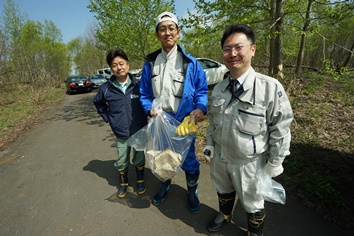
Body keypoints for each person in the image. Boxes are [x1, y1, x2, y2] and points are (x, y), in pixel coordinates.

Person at [204, 24, 294, 235]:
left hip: (249, 164)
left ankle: (254, 232)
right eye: (227, 49)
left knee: (253, 203)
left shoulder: (270, 89)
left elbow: (281, 130)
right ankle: (225, 215)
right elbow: (213, 121)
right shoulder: (219, 88)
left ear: (252, 49)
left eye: (238, 47)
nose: (232, 54)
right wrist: (209, 143)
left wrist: (274, 163)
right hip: (221, 158)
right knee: (223, 190)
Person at [139, 12, 208, 213]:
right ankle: (165, 185)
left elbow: (202, 91)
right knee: (162, 158)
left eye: (171, 28)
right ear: (157, 34)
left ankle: (192, 191)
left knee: (188, 159)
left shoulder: (191, 63)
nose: (167, 32)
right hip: (160, 121)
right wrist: (149, 109)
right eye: (163, 29)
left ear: (178, 32)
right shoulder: (150, 63)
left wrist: (201, 108)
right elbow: (144, 93)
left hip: (184, 121)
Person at [93, 49, 148, 198]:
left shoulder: (139, 85)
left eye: (121, 64)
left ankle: (140, 180)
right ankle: (123, 183)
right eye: (115, 65)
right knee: (122, 159)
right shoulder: (106, 88)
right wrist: (108, 118)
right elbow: (98, 103)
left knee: (139, 157)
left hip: (139, 130)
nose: (119, 68)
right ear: (111, 69)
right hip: (121, 132)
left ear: (128, 65)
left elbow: (148, 101)